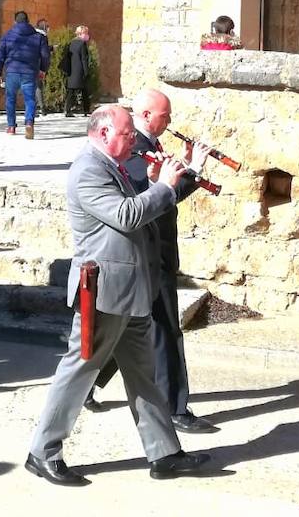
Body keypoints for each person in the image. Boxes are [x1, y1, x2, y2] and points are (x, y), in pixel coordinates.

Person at [25, 105, 211, 486]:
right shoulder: (89, 170)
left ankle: (165, 454)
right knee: (79, 370)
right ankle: (42, 452)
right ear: (103, 132)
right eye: (127, 134)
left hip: (130, 291)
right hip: (104, 291)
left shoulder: (114, 165)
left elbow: (137, 210)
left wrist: (160, 182)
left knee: (144, 374)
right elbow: (125, 216)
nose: (133, 140)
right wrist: (164, 187)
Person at [83, 89, 215, 433]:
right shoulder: (135, 152)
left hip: (158, 250)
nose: (169, 122)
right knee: (167, 329)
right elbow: (154, 202)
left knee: (128, 330)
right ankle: (175, 408)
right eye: (164, 116)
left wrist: (185, 169)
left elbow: (163, 194)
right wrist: (193, 170)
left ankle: (85, 384)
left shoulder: (150, 146)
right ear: (144, 115)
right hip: (148, 254)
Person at [0, 12, 48, 139]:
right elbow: (45, 55)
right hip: (29, 72)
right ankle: (29, 122)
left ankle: (11, 126)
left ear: (15, 22)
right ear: (28, 21)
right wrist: (43, 69)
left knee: (10, 99)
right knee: (30, 99)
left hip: (12, 71)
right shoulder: (38, 37)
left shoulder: (8, 36)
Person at [62, 25, 91, 117]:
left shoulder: (71, 43)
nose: (87, 35)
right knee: (84, 91)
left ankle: (67, 110)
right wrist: (86, 71)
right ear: (81, 34)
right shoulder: (82, 44)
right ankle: (86, 110)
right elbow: (84, 59)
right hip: (80, 70)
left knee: (71, 91)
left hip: (71, 70)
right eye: (86, 33)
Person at [33, 19, 51, 116]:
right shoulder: (42, 37)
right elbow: (44, 53)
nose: (49, 28)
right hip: (38, 64)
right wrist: (44, 68)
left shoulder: (32, 35)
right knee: (38, 86)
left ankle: (36, 107)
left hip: (29, 64)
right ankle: (41, 107)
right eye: (47, 26)